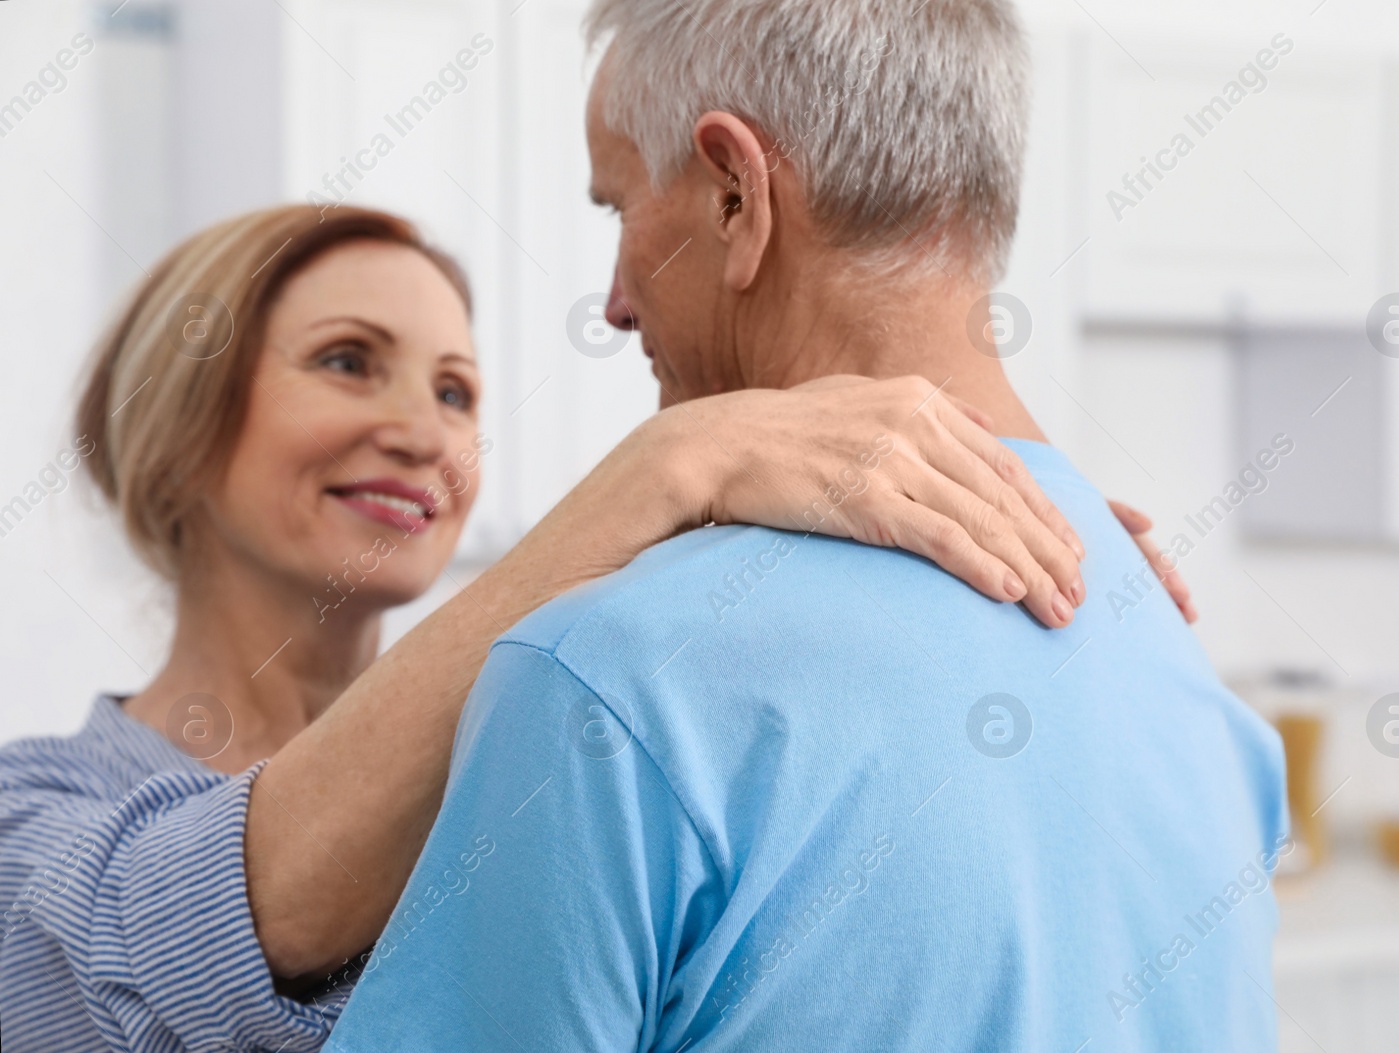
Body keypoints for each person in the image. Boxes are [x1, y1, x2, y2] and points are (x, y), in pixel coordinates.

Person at [325, 1, 1285, 1051]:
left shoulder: (611, 681)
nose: (613, 304)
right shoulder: (1185, 673)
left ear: (736, 194)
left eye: (619, 211)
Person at [0, 203, 1183, 1051]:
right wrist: (671, 464)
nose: (423, 430)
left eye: (456, 390)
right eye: (349, 362)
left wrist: (1009, 525)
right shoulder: (30, 826)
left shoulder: (531, 749)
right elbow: (219, 921)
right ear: (177, 431)